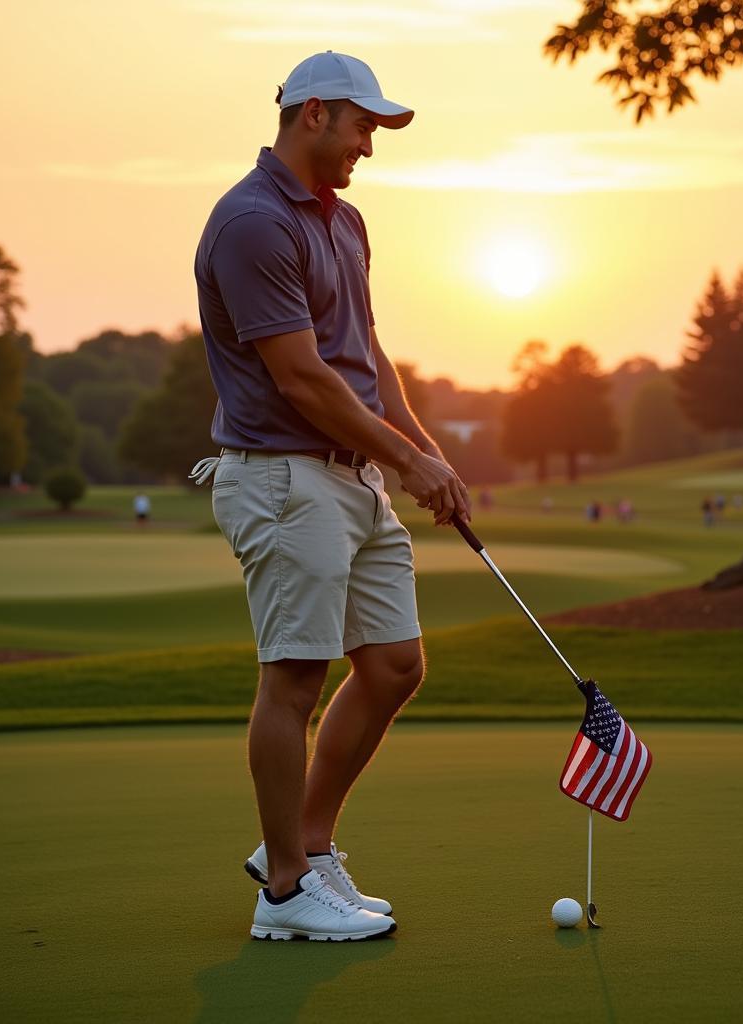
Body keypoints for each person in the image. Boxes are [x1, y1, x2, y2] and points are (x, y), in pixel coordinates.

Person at [190, 51, 471, 942]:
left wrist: (425, 455)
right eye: (363, 128)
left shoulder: (343, 222)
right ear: (314, 114)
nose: (370, 147)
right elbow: (305, 381)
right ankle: (282, 894)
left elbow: (366, 358)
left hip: (351, 475)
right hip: (281, 475)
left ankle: (308, 846)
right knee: (295, 677)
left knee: (394, 665)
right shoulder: (251, 224)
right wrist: (409, 463)